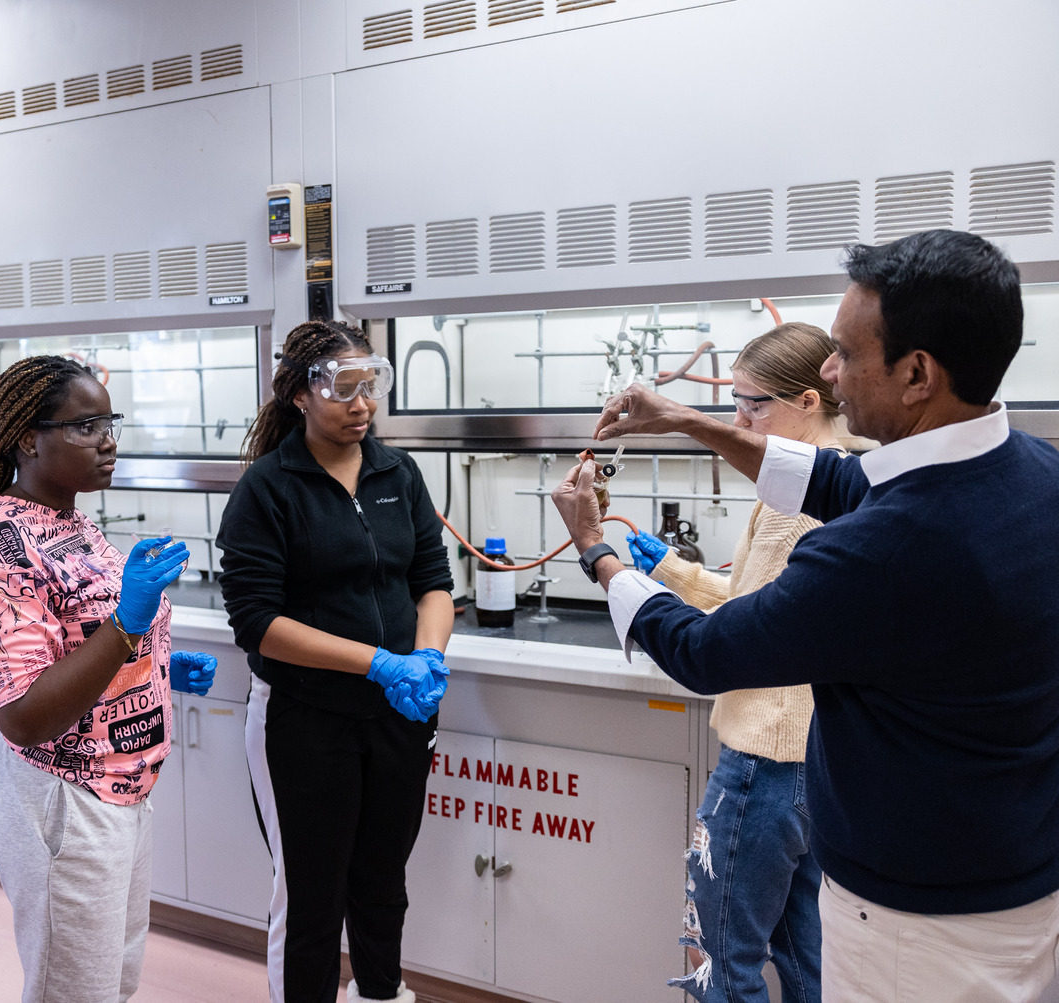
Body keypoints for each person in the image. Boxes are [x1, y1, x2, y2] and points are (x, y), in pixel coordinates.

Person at [550, 229, 1059, 1002]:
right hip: (1016, 885)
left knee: (726, 959)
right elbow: (838, 480)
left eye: (846, 353)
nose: (827, 369)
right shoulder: (1032, 470)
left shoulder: (881, 551)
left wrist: (596, 551)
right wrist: (686, 420)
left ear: (917, 373)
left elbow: (705, 651)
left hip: (916, 934)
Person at [0, 354, 217, 1003]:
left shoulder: (72, 522)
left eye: (109, 423)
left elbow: (78, 643)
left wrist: (153, 666)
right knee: (74, 992)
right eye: (85, 426)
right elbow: (26, 715)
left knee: (113, 982)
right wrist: (127, 626)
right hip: (63, 795)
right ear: (27, 439)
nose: (107, 441)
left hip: (120, 789)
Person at [216, 320, 455, 1003]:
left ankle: (381, 994)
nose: (362, 404)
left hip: (397, 716)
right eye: (343, 388)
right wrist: (379, 662)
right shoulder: (268, 488)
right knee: (311, 897)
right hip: (305, 719)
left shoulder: (397, 473)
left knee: (383, 881)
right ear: (300, 393)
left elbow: (433, 582)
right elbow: (258, 624)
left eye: (370, 386)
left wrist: (426, 656)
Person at [627, 323, 841, 1003]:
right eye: (735, 403)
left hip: (763, 760)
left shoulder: (793, 505)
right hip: (811, 761)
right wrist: (671, 570)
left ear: (808, 400)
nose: (740, 422)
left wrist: (614, 574)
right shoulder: (835, 476)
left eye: (754, 405)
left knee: (720, 959)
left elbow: (734, 641)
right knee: (804, 959)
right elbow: (756, 604)